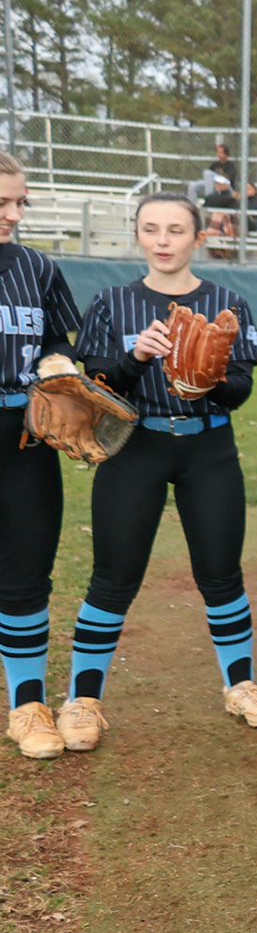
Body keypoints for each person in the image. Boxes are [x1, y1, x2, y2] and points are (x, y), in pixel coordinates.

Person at [66, 193, 257, 747]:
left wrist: (210, 381)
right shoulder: (113, 301)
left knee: (220, 572)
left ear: (197, 238)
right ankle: (83, 698)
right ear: (138, 234)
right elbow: (98, 389)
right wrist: (138, 357)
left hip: (207, 449)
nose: (163, 240)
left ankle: (240, 685)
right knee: (114, 576)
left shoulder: (225, 299)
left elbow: (241, 390)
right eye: (151, 228)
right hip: (135, 446)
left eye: (176, 230)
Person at [0, 151, 86, 760]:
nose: (14, 213)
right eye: (2, 202)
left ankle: (27, 706)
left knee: (27, 573)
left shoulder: (36, 266)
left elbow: (57, 334)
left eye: (21, 202)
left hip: (25, 431)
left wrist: (58, 363)